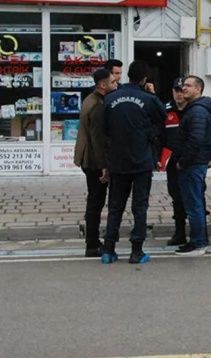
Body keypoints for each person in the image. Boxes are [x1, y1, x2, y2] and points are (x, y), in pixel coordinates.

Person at [101, 60, 167, 264]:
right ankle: (136, 251)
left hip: (118, 160)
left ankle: (108, 250)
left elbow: (104, 129)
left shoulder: (110, 98)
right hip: (141, 161)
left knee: (115, 207)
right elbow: (162, 119)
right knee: (140, 207)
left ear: (128, 76)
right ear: (145, 79)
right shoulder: (148, 99)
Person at [73, 68, 118, 257]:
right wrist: (103, 167)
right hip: (93, 161)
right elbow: (98, 139)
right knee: (96, 201)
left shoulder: (91, 99)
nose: (116, 85)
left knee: (95, 200)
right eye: (113, 82)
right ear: (102, 85)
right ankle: (92, 243)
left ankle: (92, 240)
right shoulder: (97, 105)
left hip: (89, 158)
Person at [172, 75, 211, 256]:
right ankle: (199, 240)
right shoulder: (197, 109)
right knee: (195, 202)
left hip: (192, 164)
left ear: (198, 89)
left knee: (194, 204)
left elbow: (196, 139)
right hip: (196, 162)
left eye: (188, 86)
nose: (184, 88)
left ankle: (198, 243)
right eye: (183, 85)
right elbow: (209, 137)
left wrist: (182, 161)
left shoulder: (197, 111)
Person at [161, 77, 188, 246]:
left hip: (191, 160)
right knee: (176, 197)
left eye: (182, 90)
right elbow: (159, 135)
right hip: (173, 162)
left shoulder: (195, 109)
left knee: (194, 197)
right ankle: (180, 233)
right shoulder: (165, 110)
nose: (179, 94)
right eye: (176, 90)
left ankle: (200, 234)